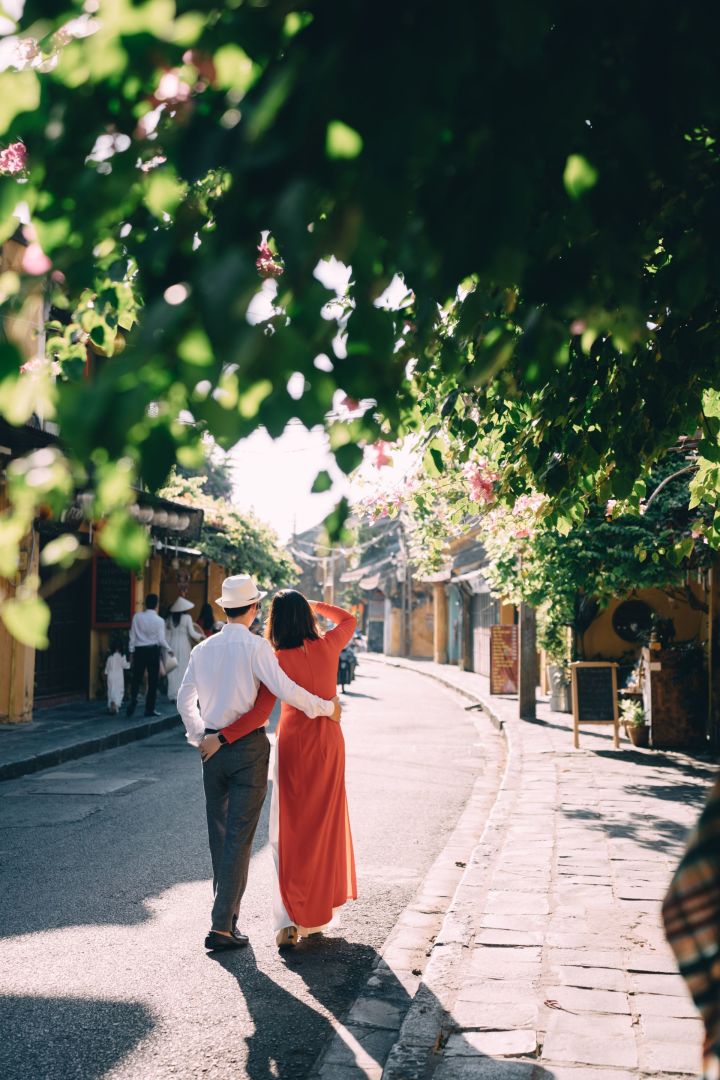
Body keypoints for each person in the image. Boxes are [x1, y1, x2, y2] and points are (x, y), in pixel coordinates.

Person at [176, 574, 343, 953]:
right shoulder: (256, 649)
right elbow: (286, 692)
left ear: (224, 608)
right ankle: (221, 926)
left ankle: (227, 918)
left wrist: (202, 736)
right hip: (246, 749)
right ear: (252, 609)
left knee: (219, 837)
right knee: (239, 837)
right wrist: (326, 707)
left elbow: (184, 700)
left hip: (210, 750)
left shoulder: (202, 650)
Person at [212, 592, 358, 949]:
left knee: (291, 829)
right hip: (328, 743)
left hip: (295, 746)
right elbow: (349, 620)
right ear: (307, 617)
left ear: (275, 621)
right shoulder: (328, 645)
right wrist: (317, 604)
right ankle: (316, 913)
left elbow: (261, 711)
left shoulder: (276, 659)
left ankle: (290, 921)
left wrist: (223, 736)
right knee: (324, 826)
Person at [127, 593, 172, 718]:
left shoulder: (137, 617)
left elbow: (132, 636)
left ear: (145, 603)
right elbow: (161, 639)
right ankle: (149, 709)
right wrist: (169, 649)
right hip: (153, 651)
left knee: (137, 677)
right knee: (153, 681)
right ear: (156, 605)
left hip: (139, 650)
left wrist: (131, 652)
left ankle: (134, 697)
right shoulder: (159, 621)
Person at [165, 597, 204, 700]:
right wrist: (201, 637)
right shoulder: (187, 618)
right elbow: (192, 633)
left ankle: (172, 695)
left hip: (172, 645)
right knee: (183, 669)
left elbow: (167, 636)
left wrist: (168, 649)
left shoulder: (169, 619)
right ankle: (180, 694)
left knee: (172, 670)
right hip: (184, 645)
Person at [105, 638, 129, 714]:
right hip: (118, 676)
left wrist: (106, 674)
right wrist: (130, 663)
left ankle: (111, 703)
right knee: (119, 690)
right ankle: (116, 705)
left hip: (110, 676)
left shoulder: (109, 658)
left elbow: (106, 670)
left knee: (111, 690)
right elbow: (126, 666)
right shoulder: (122, 657)